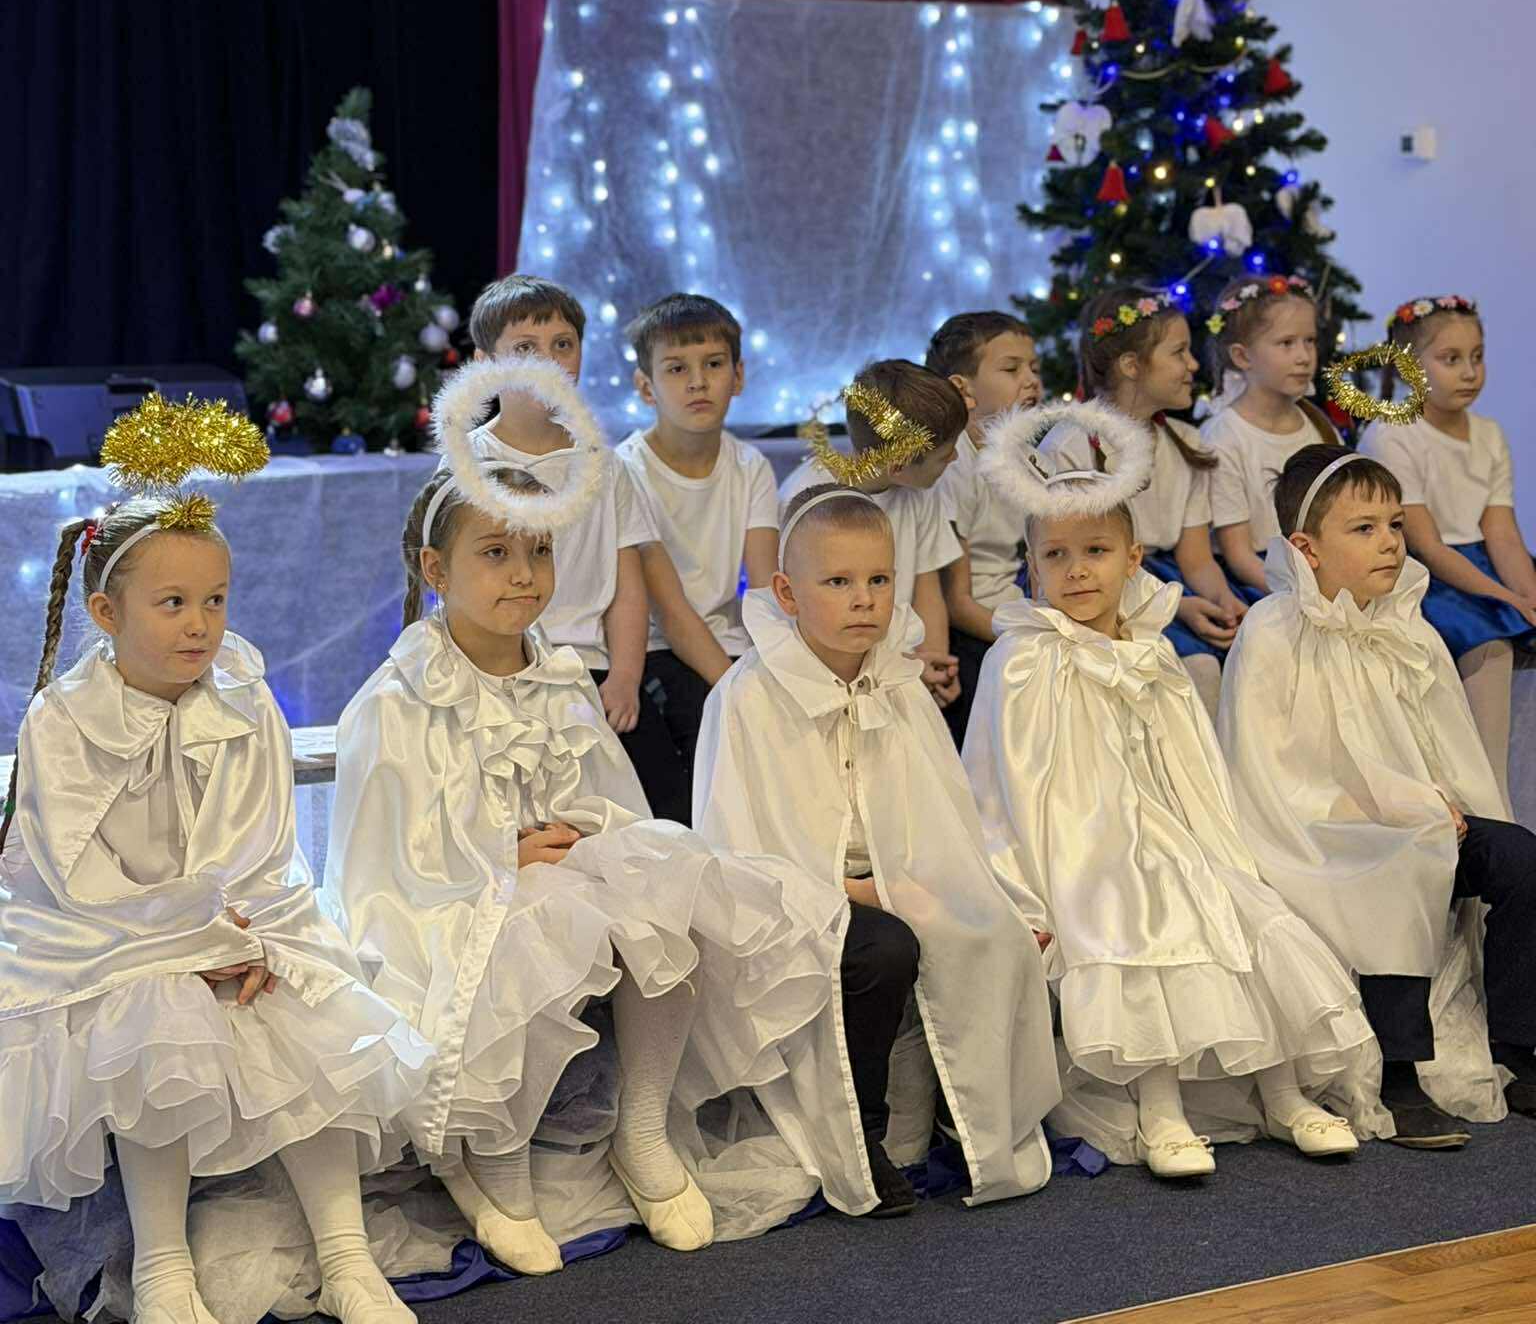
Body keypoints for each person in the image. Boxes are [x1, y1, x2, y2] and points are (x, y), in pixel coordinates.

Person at [325, 364, 843, 1275]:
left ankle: (641, 1128)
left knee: (667, 882)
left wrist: (584, 834)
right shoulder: (399, 698)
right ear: (437, 570)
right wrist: (502, 853)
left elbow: (612, 798)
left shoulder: (560, 678)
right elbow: (382, 863)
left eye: (538, 552)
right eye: (496, 554)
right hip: (447, 901)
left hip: (558, 872)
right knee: (535, 925)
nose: (524, 576)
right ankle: (498, 1156)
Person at [0, 398, 432, 1324]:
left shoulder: (242, 697)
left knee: (305, 1001)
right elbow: (78, 877)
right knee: (157, 1019)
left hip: (240, 921)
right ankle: (164, 1267)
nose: (200, 625)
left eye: (215, 600)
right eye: (172, 604)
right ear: (107, 612)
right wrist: (195, 942)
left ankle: (347, 1255)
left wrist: (250, 940)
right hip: (102, 939)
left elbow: (261, 846)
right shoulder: (62, 721)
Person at [962, 406, 1376, 1179]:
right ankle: (1160, 1109)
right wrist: (1026, 894)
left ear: (1133, 558)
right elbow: (1000, 787)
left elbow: (1194, 767)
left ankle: (1282, 1096)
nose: (1077, 571)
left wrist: (1221, 851)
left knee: (1237, 905)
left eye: (1095, 552)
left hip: (1172, 834)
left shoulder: (1152, 653)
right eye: (1057, 556)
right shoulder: (1021, 660)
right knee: (1142, 910)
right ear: (1032, 567)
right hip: (1079, 852)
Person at [694, 485, 1059, 1219]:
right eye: (837, 582)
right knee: (883, 949)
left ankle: (966, 1117)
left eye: (879, 580)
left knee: (999, 932)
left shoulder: (898, 685)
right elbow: (740, 851)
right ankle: (861, 1136)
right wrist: (867, 892)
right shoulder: (748, 697)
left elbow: (946, 817)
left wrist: (975, 894)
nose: (864, 600)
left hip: (895, 881)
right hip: (799, 902)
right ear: (787, 594)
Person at [1218, 443, 1536, 1150]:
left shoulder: (1407, 628)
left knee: (1519, 857)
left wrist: (1441, 803)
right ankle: (1397, 1075)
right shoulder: (1272, 633)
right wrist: (1406, 813)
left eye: (1395, 524)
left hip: (1422, 820)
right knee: (1399, 860)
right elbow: (1272, 775)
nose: (1390, 542)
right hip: (1315, 834)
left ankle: (1517, 1047)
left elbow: (1441, 746)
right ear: (1306, 548)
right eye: (1363, 528)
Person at [462, 273, 686, 820]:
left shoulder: (604, 467)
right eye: (525, 349)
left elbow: (626, 586)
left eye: (562, 344)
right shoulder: (468, 462)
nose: (548, 362)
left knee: (662, 812)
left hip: (589, 670)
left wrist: (626, 678)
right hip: (500, 672)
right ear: (485, 363)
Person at [1357, 295, 1535, 797]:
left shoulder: (1489, 434)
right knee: (1489, 644)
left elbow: (1502, 533)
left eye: (1477, 357)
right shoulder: (1392, 436)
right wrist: (1505, 599)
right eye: (1451, 359)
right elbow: (1428, 546)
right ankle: (1491, 797)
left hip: (1483, 562)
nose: (1469, 372)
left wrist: (1528, 595)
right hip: (1424, 573)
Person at [1048, 288, 1246, 719]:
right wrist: (1177, 608)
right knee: (1196, 667)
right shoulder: (1071, 447)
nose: (1193, 365)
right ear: (1132, 365)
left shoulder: (1188, 443)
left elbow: (1196, 559)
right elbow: (1075, 561)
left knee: (1247, 653)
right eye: (1179, 352)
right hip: (1100, 590)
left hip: (1167, 581)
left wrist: (1222, 599)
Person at [614, 292, 780, 783]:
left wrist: (782, 670)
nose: (698, 382)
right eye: (676, 369)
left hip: (732, 644)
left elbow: (766, 588)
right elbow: (670, 612)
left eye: (713, 364)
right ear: (646, 387)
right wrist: (738, 689)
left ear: (738, 375)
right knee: (709, 726)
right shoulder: (626, 471)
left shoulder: (750, 466)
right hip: (654, 649)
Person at [778, 360, 966, 711]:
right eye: (943, 455)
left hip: (902, 669)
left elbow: (927, 589)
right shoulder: (804, 499)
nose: (955, 457)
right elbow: (794, 615)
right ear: (898, 466)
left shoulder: (922, 494)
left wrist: (933, 666)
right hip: (827, 674)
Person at [925, 311, 1042, 743]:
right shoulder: (954, 464)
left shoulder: (1026, 454)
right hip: (970, 628)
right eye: (1011, 370)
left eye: (1034, 368)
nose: (1030, 380)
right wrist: (1028, 635)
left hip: (1013, 610)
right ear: (963, 388)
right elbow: (957, 601)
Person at [1200, 275, 1340, 597]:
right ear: (1242, 357)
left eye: (1309, 341)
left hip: (1323, 571)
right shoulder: (1224, 438)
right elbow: (1239, 556)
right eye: (1286, 343)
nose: (1304, 356)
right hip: (1261, 583)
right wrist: (1306, 597)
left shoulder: (1320, 427)